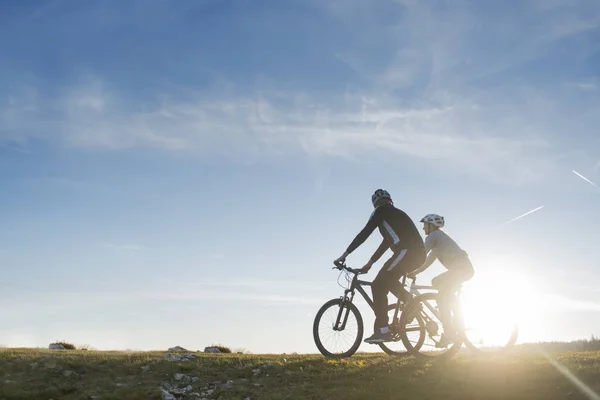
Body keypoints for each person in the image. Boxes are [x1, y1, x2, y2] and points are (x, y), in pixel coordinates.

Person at [334, 189, 426, 343]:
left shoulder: (381, 212)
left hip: (408, 252)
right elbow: (386, 242)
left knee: (378, 285)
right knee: (387, 282)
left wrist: (345, 254)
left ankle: (384, 330)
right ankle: (412, 304)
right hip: (412, 253)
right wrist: (370, 263)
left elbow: (364, 233)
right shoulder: (392, 216)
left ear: (375, 204)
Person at [408, 214, 475, 347]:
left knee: (442, 297)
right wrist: (415, 271)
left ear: (431, 225)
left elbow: (422, 253)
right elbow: (426, 261)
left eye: (424, 225)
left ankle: (449, 332)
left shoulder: (434, 235)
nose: (423, 228)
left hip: (462, 269)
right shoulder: (438, 243)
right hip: (462, 269)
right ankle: (449, 304)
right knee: (436, 281)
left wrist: (407, 267)